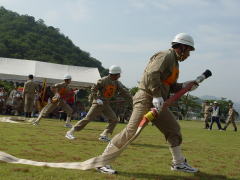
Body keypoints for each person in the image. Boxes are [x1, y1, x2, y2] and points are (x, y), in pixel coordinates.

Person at [95, 33, 199, 174]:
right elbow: (152, 74)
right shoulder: (166, 56)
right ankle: (102, 162)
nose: (189, 54)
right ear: (181, 47)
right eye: (188, 51)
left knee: (173, 129)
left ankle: (179, 163)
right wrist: (156, 95)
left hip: (158, 102)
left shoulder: (174, 63)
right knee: (131, 132)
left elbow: (169, 86)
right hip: (146, 98)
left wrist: (184, 85)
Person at [65, 65, 132, 142]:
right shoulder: (103, 80)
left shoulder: (116, 83)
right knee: (87, 119)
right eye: (119, 74)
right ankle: (70, 132)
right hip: (98, 103)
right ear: (114, 74)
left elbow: (124, 92)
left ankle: (104, 135)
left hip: (106, 104)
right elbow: (93, 89)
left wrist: (132, 98)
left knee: (114, 119)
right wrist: (96, 99)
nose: (120, 76)